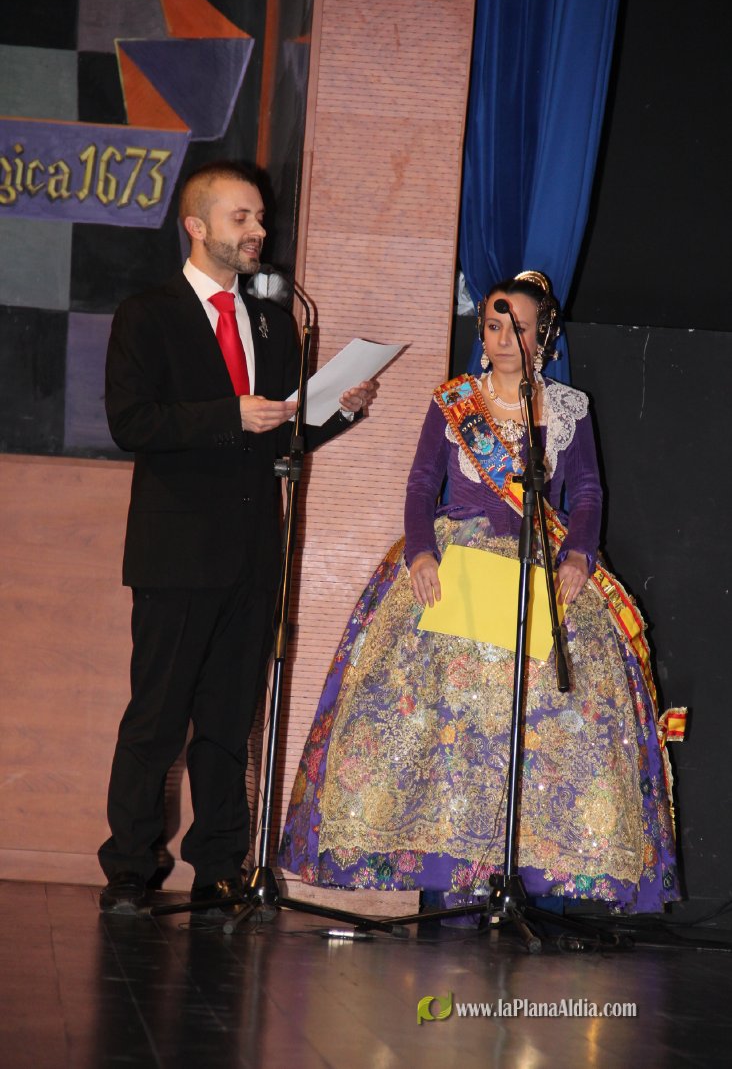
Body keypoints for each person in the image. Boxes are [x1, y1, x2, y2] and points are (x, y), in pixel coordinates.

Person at [279, 270, 682, 914]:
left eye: (516, 328)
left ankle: (530, 874)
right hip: (458, 564)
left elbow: (586, 492)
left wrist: (579, 556)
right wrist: (420, 552)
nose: (501, 338)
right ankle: (450, 875)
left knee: (550, 721)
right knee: (444, 721)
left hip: (540, 567)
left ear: (541, 337)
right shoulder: (454, 401)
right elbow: (421, 484)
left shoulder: (567, 408)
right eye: (493, 326)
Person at [98, 160, 377, 916]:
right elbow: (131, 422)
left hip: (255, 552)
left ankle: (219, 866)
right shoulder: (147, 314)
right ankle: (129, 866)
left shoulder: (273, 321)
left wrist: (339, 409)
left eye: (260, 218)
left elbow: (280, 431)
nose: (259, 231)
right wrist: (230, 415)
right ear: (197, 226)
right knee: (157, 717)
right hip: (176, 552)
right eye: (242, 218)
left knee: (228, 722)